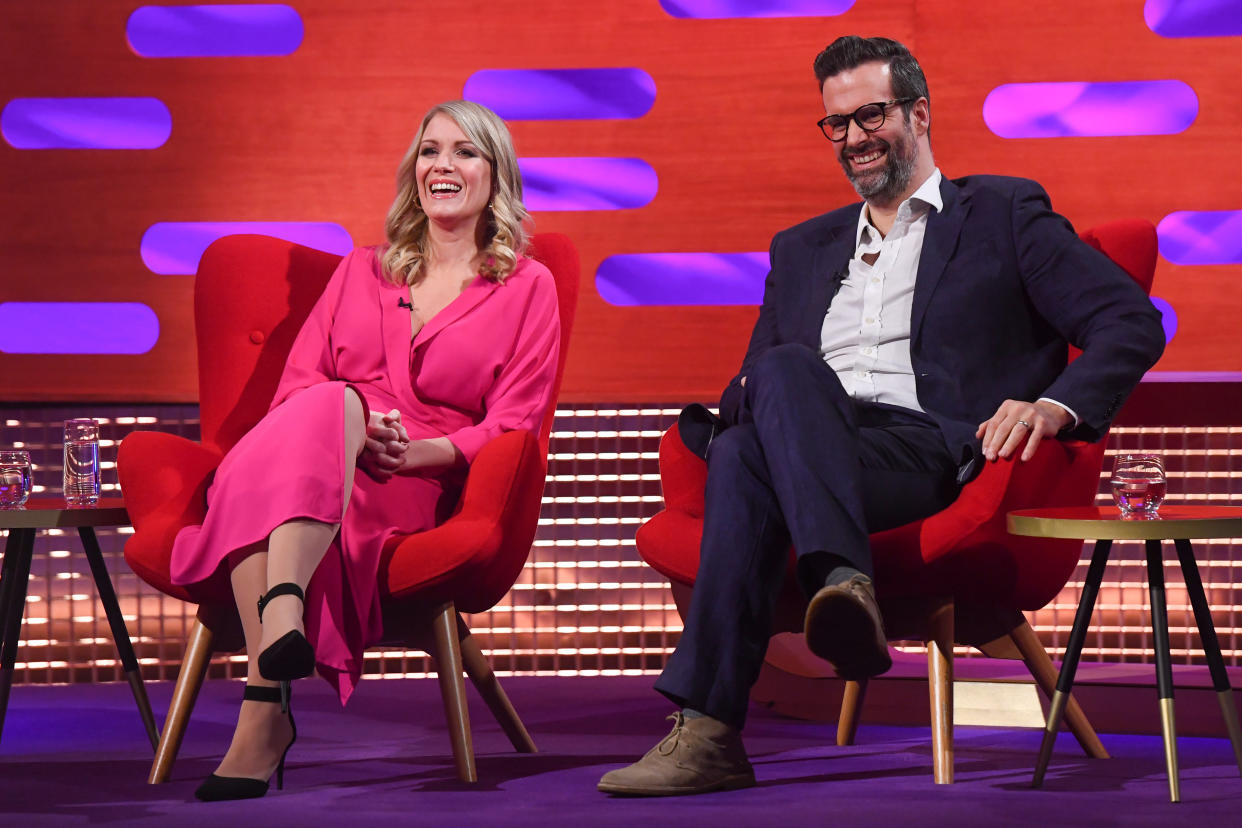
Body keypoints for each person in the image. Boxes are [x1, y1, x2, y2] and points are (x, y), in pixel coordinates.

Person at [598, 35, 1166, 796]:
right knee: (756, 420)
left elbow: (1130, 321)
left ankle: (708, 728)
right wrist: (758, 400)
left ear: (919, 112)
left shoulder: (1003, 214)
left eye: (871, 115)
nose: (854, 138)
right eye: (836, 124)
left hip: (924, 455)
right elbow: (755, 384)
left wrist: (1055, 406)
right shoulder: (801, 249)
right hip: (814, 441)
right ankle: (842, 591)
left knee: (751, 445)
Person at [170, 100, 561, 801]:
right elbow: (299, 385)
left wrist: (415, 452)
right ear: (414, 170)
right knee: (328, 404)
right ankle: (282, 612)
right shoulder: (360, 270)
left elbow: (515, 424)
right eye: (430, 150)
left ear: (496, 175)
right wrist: (352, 417)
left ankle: (265, 709)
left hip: (405, 478)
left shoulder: (529, 287)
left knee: (275, 462)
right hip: (315, 449)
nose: (443, 165)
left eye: (466, 152)